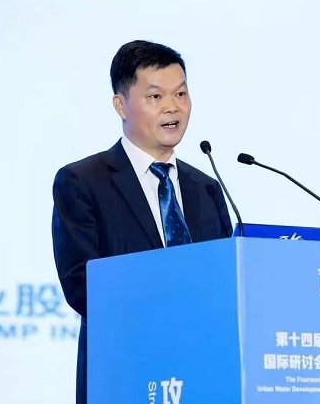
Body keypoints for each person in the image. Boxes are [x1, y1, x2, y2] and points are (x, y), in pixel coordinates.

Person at [51, 40, 233, 404]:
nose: (172, 107)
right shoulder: (83, 182)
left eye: (181, 94)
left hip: (203, 374)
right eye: (155, 96)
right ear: (121, 105)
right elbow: (83, 285)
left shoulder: (206, 188)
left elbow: (227, 280)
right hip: (125, 376)